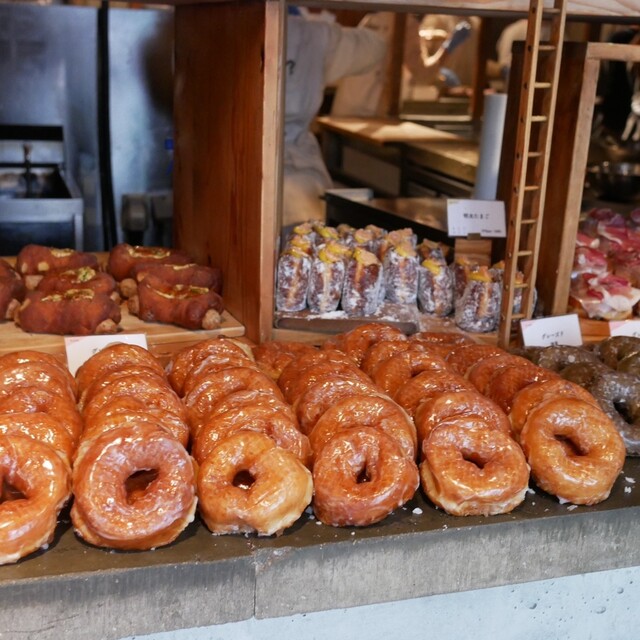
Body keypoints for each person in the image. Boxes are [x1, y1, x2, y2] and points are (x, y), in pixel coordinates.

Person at [283, 10, 386, 227]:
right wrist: (325, 19)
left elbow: (376, 48)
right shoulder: (312, 33)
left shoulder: (313, 32)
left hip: (282, 176)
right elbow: (375, 47)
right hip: (298, 177)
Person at [330, 13, 475, 116]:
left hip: (345, 106)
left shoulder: (373, 16)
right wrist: (448, 47)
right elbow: (423, 74)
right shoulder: (405, 23)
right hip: (370, 111)